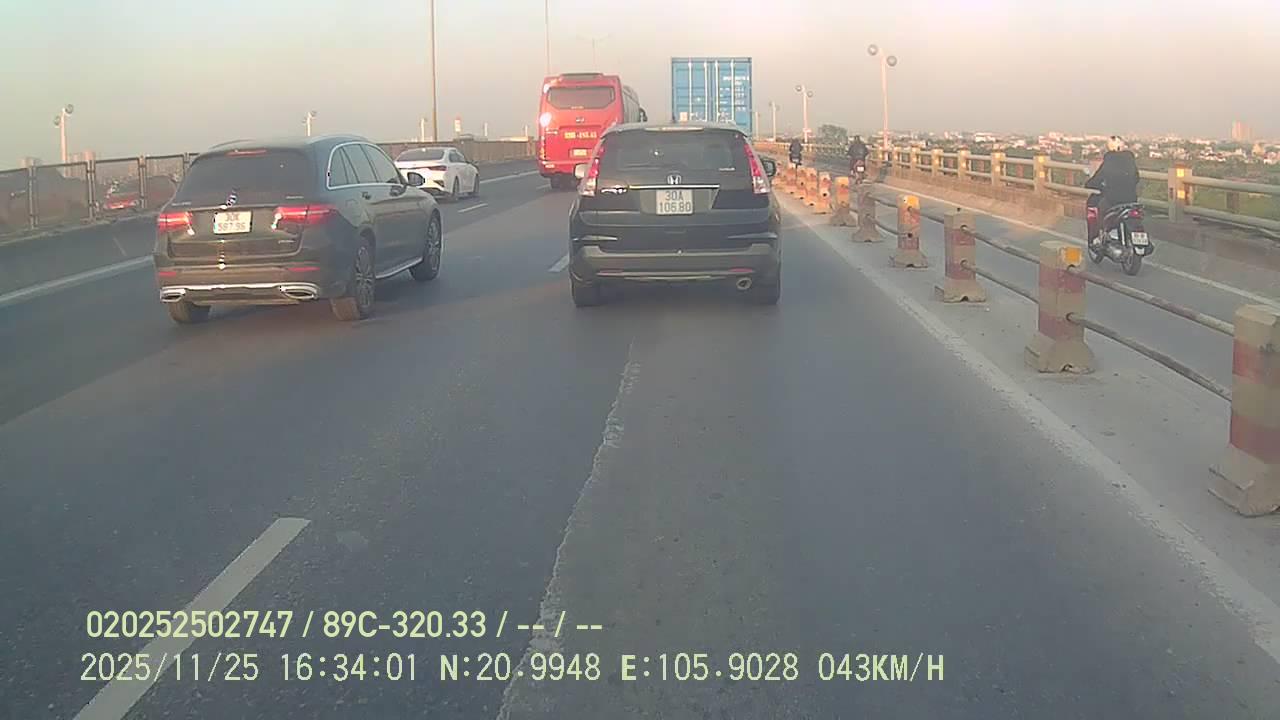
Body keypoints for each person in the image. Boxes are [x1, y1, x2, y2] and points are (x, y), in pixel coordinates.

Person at [1084, 136, 1140, 243]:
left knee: (1101, 210)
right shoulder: (1130, 158)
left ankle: (1103, 235)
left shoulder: (1109, 159)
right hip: (1131, 200)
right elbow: (1137, 178)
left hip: (1113, 199)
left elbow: (1098, 178)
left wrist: (1089, 184)